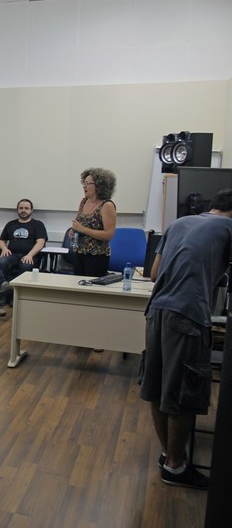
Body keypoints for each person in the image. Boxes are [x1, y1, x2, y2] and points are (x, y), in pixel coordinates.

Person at [140, 188, 232, 490]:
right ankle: (176, 467)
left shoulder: (178, 223)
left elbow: (154, 273)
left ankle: (168, 454)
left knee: (157, 385)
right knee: (182, 390)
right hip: (188, 314)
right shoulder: (229, 228)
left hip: (156, 310)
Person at [70, 168, 117, 277]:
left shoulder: (107, 205)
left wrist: (83, 229)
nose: (84, 186)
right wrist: (73, 231)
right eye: (84, 183)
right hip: (79, 253)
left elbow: (109, 235)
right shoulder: (84, 201)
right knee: (76, 285)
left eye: (88, 183)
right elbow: (78, 223)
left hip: (97, 256)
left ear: (99, 185)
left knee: (92, 286)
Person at [0, 199, 48, 279]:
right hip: (12, 254)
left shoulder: (38, 224)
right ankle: (2, 284)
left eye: (26, 208)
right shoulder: (10, 224)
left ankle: (19, 287)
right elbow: (1, 241)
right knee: (2, 262)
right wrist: (4, 248)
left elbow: (40, 243)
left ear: (31, 210)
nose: (23, 210)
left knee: (25, 266)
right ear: (17, 210)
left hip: (30, 255)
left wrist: (30, 255)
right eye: (21, 208)